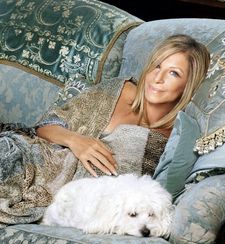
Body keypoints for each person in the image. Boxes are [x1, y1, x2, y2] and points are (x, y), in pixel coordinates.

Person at [0, 34, 210, 226]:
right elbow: (44, 128)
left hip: (60, 194)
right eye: (156, 67)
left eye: (173, 73)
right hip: (32, 158)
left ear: (187, 85)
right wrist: (76, 141)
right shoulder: (118, 90)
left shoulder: (172, 136)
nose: (158, 78)